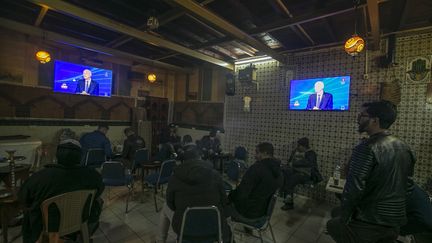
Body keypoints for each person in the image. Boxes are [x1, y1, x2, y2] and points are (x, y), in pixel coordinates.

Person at [326, 100, 416, 243]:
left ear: (375, 120)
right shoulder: (405, 147)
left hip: (370, 221)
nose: (358, 118)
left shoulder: (367, 147)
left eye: (362, 115)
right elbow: (409, 186)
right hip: (395, 222)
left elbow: (354, 188)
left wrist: (345, 218)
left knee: (332, 224)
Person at [18, 139, 105, 243]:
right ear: (80, 156)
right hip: (80, 219)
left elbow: (23, 198)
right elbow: (99, 192)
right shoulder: (92, 175)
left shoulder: (40, 177)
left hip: (48, 224)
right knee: (98, 201)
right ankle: (83, 235)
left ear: (57, 155)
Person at [164, 147, 231, 242]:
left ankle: (160, 240)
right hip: (213, 226)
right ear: (200, 158)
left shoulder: (175, 177)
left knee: (165, 207)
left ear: (184, 161)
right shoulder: (215, 175)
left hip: (185, 228)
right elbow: (224, 201)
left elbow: (171, 204)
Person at [228, 142, 283, 221]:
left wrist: (230, 197)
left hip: (249, 213)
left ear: (265, 153)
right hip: (264, 211)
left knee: (222, 203)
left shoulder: (257, 168)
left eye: (257, 152)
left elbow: (241, 193)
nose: (255, 156)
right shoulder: (279, 171)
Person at [280, 137, 322, 210]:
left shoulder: (311, 153)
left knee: (291, 180)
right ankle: (285, 192)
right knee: (284, 173)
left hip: (306, 174)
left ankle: (289, 203)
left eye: (299, 146)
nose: (298, 147)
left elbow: (309, 163)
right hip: (294, 171)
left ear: (304, 146)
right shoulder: (295, 151)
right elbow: (290, 162)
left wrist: (294, 163)